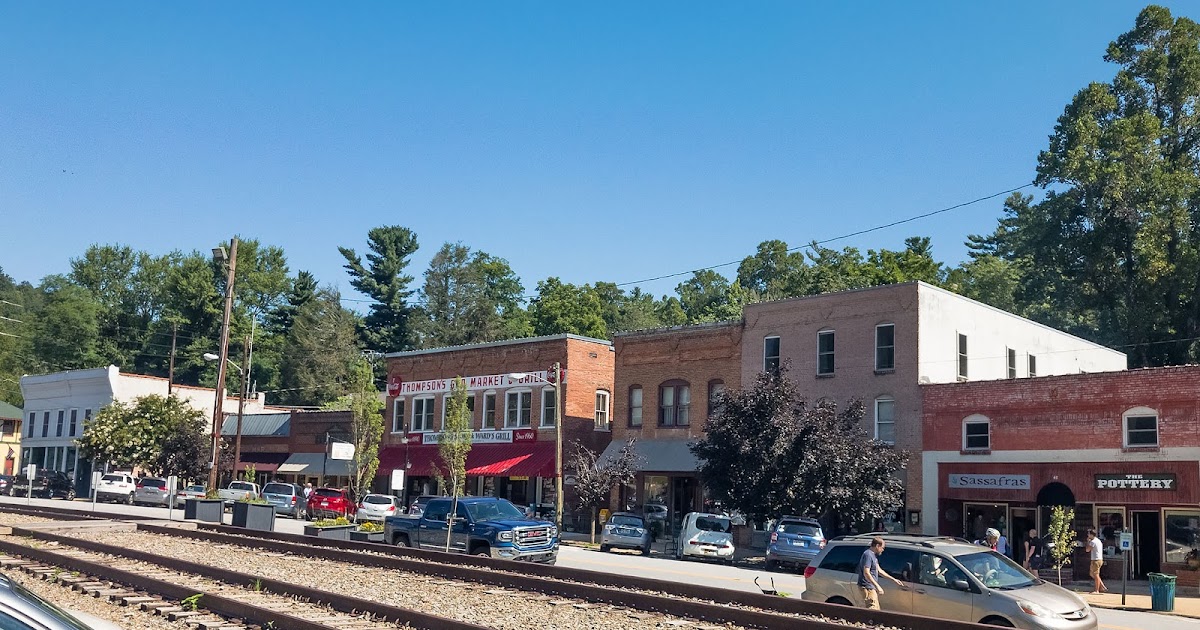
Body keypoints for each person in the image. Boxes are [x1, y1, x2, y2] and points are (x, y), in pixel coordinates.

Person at [856, 536, 904, 610]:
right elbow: (866, 573)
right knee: (873, 611)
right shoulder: (868, 555)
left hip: (871, 588)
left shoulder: (873, 556)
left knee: (877, 610)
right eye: (882, 548)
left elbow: (880, 571)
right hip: (867, 587)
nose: (883, 550)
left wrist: (894, 579)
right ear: (877, 546)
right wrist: (877, 586)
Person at [1086, 529, 1107, 594]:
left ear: (1091, 535)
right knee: (1092, 574)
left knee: (1095, 575)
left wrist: (1088, 542)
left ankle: (1097, 590)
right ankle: (1102, 586)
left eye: (1089, 534)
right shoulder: (1098, 541)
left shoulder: (1093, 542)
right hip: (1099, 559)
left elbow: (1087, 550)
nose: (1088, 535)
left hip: (1096, 560)